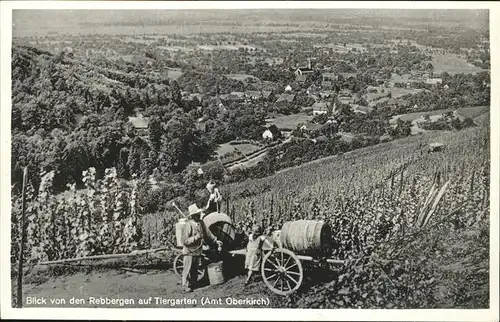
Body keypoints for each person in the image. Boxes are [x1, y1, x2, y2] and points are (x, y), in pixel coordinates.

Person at [181, 204, 222, 293]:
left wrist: (215, 240)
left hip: (197, 250)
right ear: (192, 216)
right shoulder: (188, 225)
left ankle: (193, 283)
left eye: (199, 213)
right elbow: (184, 241)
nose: (199, 215)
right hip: (189, 251)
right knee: (187, 269)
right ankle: (185, 286)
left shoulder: (201, 223)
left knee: (195, 268)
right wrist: (196, 237)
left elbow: (208, 234)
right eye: (197, 214)